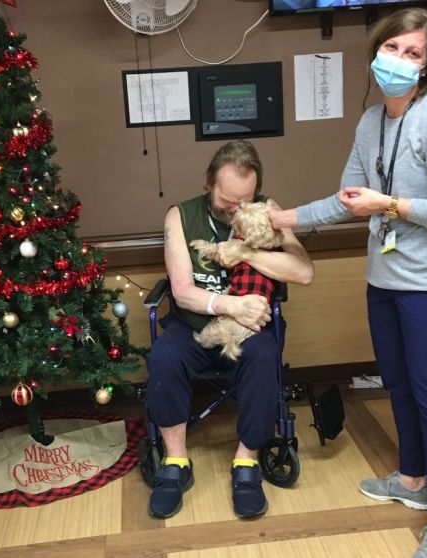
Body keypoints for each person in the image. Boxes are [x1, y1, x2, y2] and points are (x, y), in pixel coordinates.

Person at [268, 7, 427, 558]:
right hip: (384, 279)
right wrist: (284, 220)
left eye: (412, 53)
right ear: (375, 51)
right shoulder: (371, 121)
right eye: (392, 48)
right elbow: (347, 200)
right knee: (396, 385)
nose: (398, 60)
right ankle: (412, 481)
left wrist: (390, 203)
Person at [146, 140, 314, 520]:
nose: (237, 209)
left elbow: (303, 272)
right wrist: (229, 305)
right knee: (163, 357)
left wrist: (247, 253)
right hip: (193, 326)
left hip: (249, 332)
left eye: (245, 199)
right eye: (227, 199)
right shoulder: (181, 216)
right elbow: (183, 292)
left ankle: (246, 463)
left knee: (265, 355)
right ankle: (175, 462)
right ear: (209, 182)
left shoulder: (268, 210)